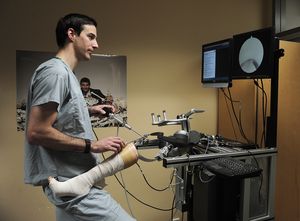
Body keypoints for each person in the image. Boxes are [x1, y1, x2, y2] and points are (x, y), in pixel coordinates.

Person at [24, 13, 136, 221]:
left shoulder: (67, 74)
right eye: (91, 37)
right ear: (72, 34)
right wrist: (92, 145)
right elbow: (36, 131)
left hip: (73, 179)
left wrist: (91, 110)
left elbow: (62, 115)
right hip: (72, 182)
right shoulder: (55, 73)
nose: (96, 44)